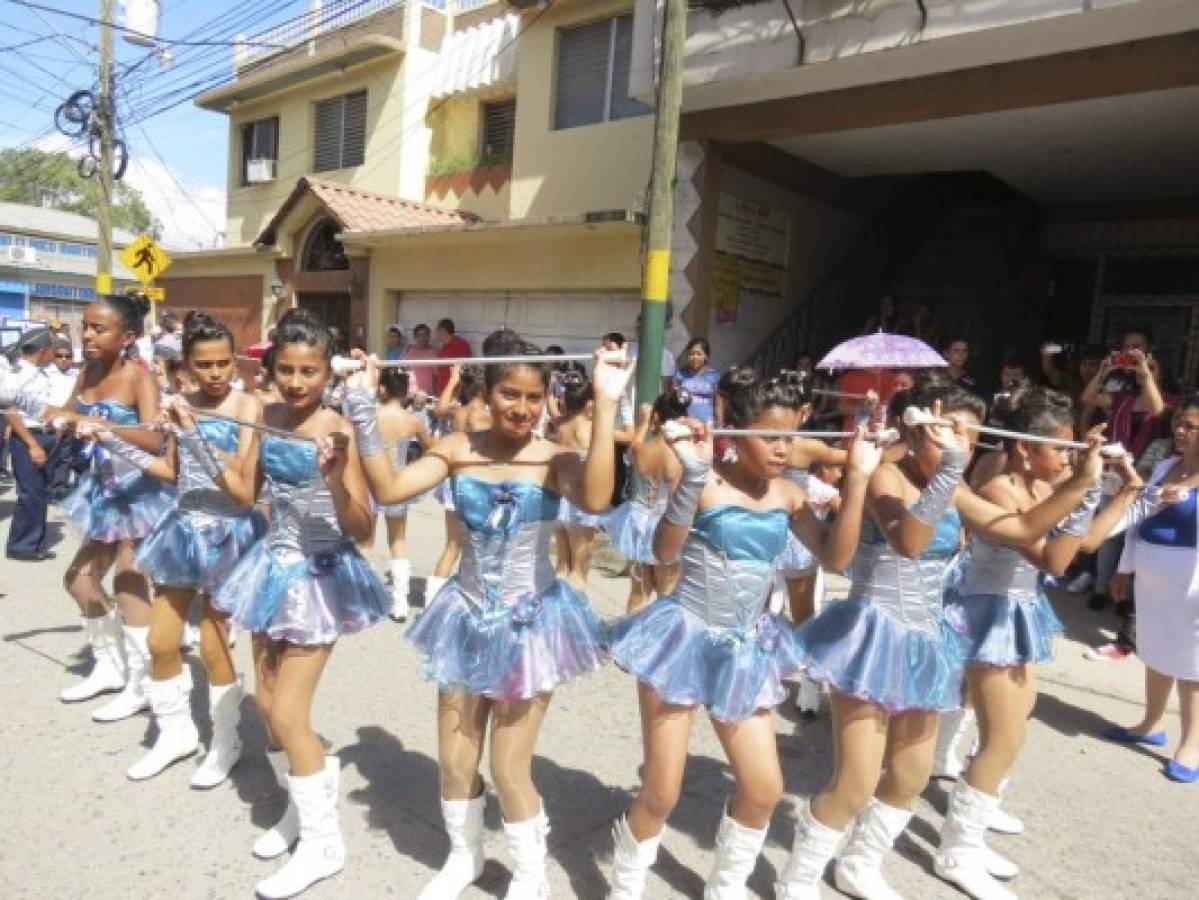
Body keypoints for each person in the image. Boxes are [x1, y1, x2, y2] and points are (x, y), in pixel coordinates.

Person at [774, 380, 1101, 900]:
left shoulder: (956, 486)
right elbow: (909, 542)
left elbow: (1021, 531)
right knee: (856, 781)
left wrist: (1082, 486)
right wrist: (949, 471)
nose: (959, 450)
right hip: (871, 636)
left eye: (968, 440)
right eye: (946, 437)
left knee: (912, 773)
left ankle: (859, 864)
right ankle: (799, 879)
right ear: (913, 427)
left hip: (926, 641)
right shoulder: (885, 476)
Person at [345, 329, 633, 898]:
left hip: (532, 622)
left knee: (508, 766)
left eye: (533, 397)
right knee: (454, 757)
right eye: (510, 395)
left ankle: (529, 875)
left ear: (547, 398)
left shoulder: (555, 459)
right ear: (489, 391)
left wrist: (606, 401)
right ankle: (465, 857)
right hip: (465, 614)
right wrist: (360, 409)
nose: (521, 409)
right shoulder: (457, 449)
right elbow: (392, 488)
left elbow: (598, 500)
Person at [603, 368, 881, 898]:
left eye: (790, 437)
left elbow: (837, 558)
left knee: (764, 789)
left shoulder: (788, 496)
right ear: (737, 429)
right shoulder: (706, 481)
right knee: (661, 791)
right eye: (769, 436)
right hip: (682, 641)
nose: (782, 449)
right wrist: (688, 476)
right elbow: (663, 553)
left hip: (749, 647)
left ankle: (725, 887)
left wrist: (860, 480)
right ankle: (626, 884)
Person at [934, 386, 1142, 899]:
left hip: (1021, 610)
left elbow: (1086, 542)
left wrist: (1125, 492)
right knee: (1001, 736)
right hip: (990, 612)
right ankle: (956, 850)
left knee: (1013, 728)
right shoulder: (1003, 489)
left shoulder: (1045, 484)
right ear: (1026, 447)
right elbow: (1055, 560)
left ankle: (974, 827)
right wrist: (1084, 488)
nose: (1072, 456)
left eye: (1076, 447)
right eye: (1063, 448)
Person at [209, 308, 389, 899]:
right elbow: (243, 493)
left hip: (320, 575)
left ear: (326, 372)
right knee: (267, 704)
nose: (295, 381)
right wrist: (196, 438)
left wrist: (337, 477)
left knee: (288, 714)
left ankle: (322, 843)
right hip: (269, 570)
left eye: (307, 371)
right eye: (285, 369)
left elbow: (363, 528)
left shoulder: (341, 428)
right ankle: (298, 804)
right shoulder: (266, 416)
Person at [84, 312, 265, 786]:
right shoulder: (180, 403)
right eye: (204, 365)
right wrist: (111, 439)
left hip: (231, 534)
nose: (216, 373)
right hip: (182, 532)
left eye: (224, 363)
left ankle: (227, 742)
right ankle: (176, 733)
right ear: (185, 366)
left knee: (212, 644)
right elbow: (170, 472)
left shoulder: (249, 407)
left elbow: (243, 489)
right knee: (162, 640)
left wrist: (195, 432)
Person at [47, 295, 176, 720]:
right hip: (102, 490)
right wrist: (58, 419)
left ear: (127, 338)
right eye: (85, 326)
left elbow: (155, 438)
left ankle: (142, 681)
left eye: (98, 329)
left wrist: (104, 426)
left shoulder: (138, 376)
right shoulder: (87, 370)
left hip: (139, 492)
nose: (87, 335)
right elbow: (68, 412)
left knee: (128, 582)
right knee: (79, 580)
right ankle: (110, 666)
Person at [1104, 395, 1199, 783]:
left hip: (1192, 584)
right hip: (1152, 578)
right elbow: (1136, 520)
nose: (1181, 430)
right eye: (1179, 422)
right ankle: (1150, 723)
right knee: (1155, 652)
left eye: (1191, 425)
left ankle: (1191, 744)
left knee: (1193, 666)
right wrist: (1123, 570)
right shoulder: (1164, 466)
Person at [604, 389, 688, 612]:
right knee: (667, 592)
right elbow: (677, 498)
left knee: (639, 591)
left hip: (638, 519)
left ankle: (628, 640)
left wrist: (644, 421)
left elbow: (633, 447)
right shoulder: (680, 454)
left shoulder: (642, 449)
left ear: (657, 418)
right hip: (664, 525)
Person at [427, 364, 491, 601]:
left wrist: (453, 380)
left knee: (452, 545)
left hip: (453, 481)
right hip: (473, 485)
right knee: (476, 547)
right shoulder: (483, 416)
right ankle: (472, 596)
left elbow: (438, 408)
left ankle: (433, 598)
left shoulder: (459, 411)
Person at [373, 366, 432, 621]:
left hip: (371, 482)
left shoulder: (372, 415)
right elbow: (431, 448)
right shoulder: (413, 420)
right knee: (398, 541)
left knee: (366, 542)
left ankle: (365, 596)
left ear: (383, 388)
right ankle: (400, 602)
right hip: (398, 483)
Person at [3, 328, 58, 560]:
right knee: (30, 493)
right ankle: (21, 546)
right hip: (28, 436)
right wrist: (32, 444)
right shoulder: (18, 374)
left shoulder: (40, 373)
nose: (54, 354)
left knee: (41, 491)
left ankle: (34, 542)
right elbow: (11, 411)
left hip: (46, 434)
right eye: (53, 350)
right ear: (44, 350)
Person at [672, 337, 721, 424]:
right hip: (685, 423)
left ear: (706, 356)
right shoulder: (680, 374)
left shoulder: (713, 376)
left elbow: (718, 404)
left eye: (699, 354)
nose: (695, 357)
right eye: (691, 354)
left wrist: (720, 425)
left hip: (707, 424)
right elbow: (674, 400)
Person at [434, 318, 472, 394]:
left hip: (455, 392)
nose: (435, 333)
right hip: (444, 391)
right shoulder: (444, 347)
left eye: (436, 330)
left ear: (442, 330)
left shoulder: (460, 345)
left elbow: (463, 370)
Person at [401, 323, 439, 395]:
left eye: (424, 335)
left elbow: (436, 375)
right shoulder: (409, 351)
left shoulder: (433, 353)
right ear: (415, 337)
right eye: (419, 335)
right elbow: (402, 368)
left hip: (426, 394)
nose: (422, 338)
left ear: (428, 337)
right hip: (410, 393)